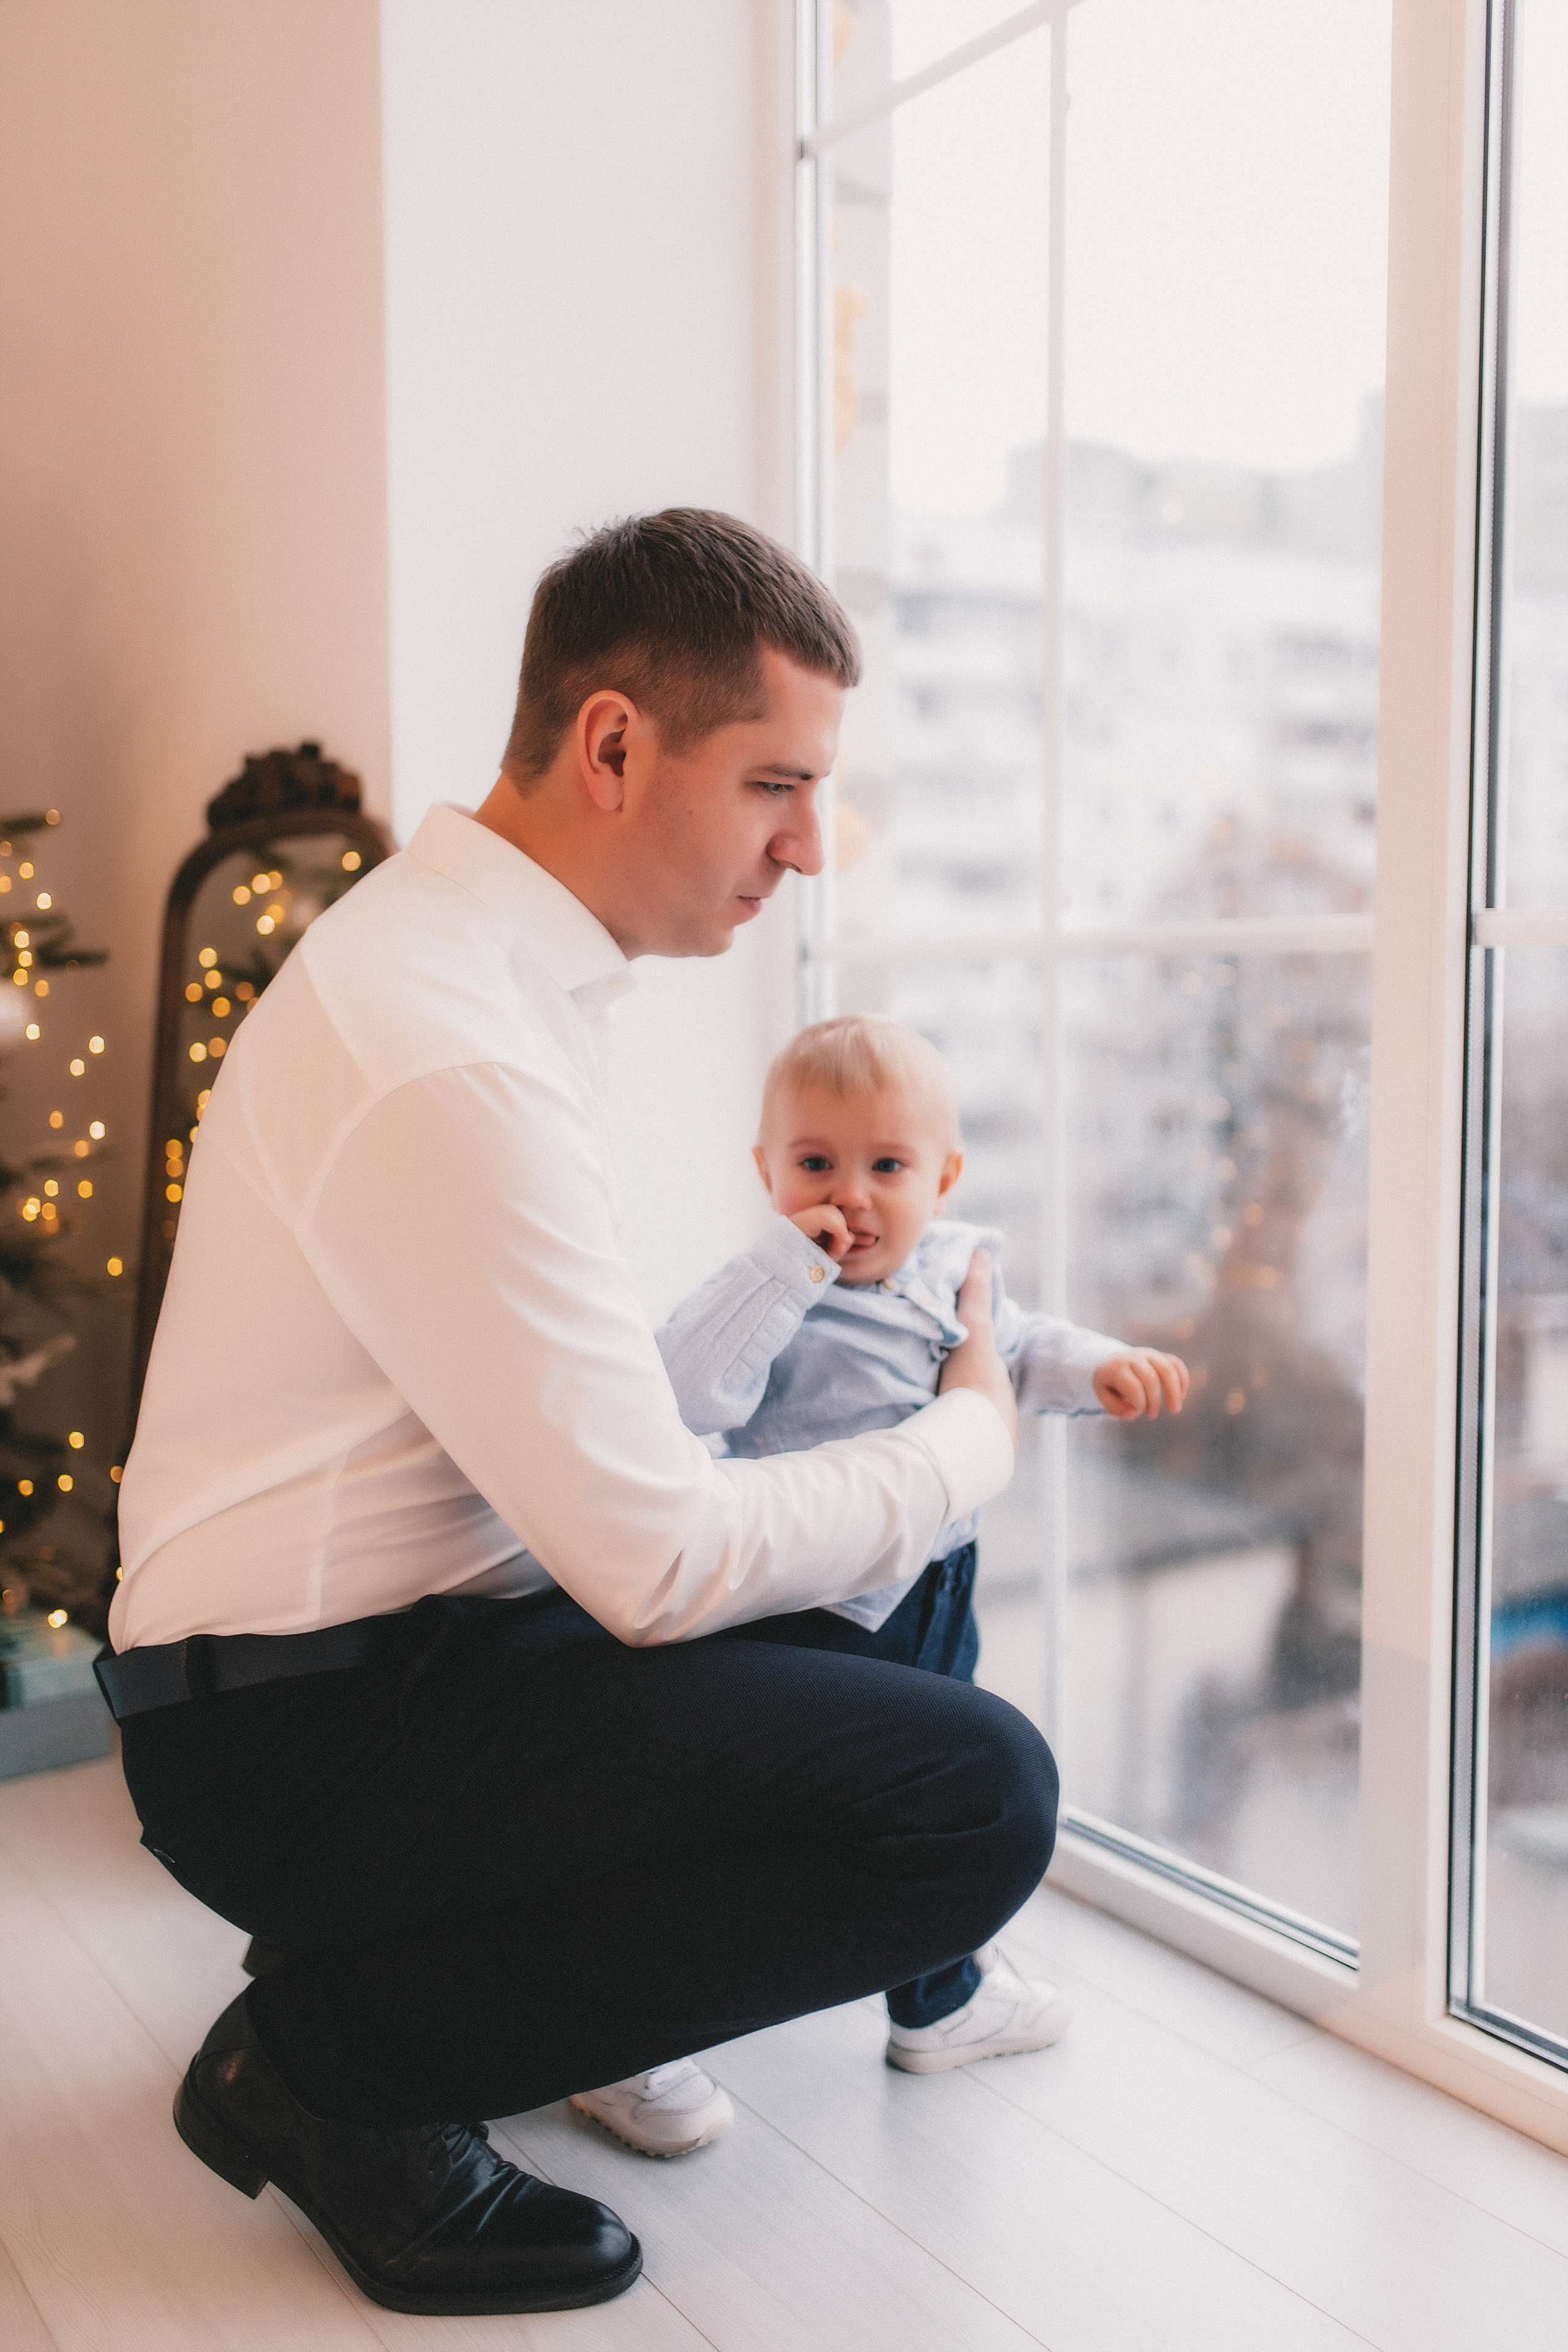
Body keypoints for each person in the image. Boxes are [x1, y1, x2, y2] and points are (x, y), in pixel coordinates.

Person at [98, 510, 1055, 2320]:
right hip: (301, 1736)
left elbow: (591, 1473)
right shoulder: (446, 1036)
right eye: (776, 782)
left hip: (396, 1655)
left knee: (899, 1636)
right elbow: (650, 1562)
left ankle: (416, 1975)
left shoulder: (480, 972)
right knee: (975, 1798)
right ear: (615, 745)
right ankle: (338, 2062)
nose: (808, 846)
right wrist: (968, 1438)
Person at [565, 1014, 1186, 2153]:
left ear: (943, 1177)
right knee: (750, 1824)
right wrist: (785, 1263)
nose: (850, 1195)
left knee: (936, 1803)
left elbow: (1023, 1349)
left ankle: (939, 1998)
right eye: (815, 1164)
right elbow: (679, 1389)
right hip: (806, 1608)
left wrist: (1105, 1368)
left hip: (933, 1593)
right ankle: (620, 2030)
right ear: (766, 1174)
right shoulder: (776, 1291)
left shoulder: (960, 1268)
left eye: (887, 1167)